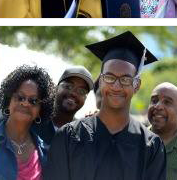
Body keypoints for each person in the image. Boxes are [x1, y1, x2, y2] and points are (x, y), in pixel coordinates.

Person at [45, 31, 166, 180]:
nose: (116, 86)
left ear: (136, 85)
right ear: (100, 81)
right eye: (109, 77)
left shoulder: (151, 146)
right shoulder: (68, 136)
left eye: (125, 79)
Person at [0, 65, 54, 180]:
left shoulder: (45, 152)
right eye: (20, 97)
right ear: (8, 101)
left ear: (40, 110)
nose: (25, 103)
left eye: (33, 101)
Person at [33, 66, 93, 145]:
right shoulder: (34, 117)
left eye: (81, 91)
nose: (73, 93)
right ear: (56, 88)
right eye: (68, 86)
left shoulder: (82, 137)